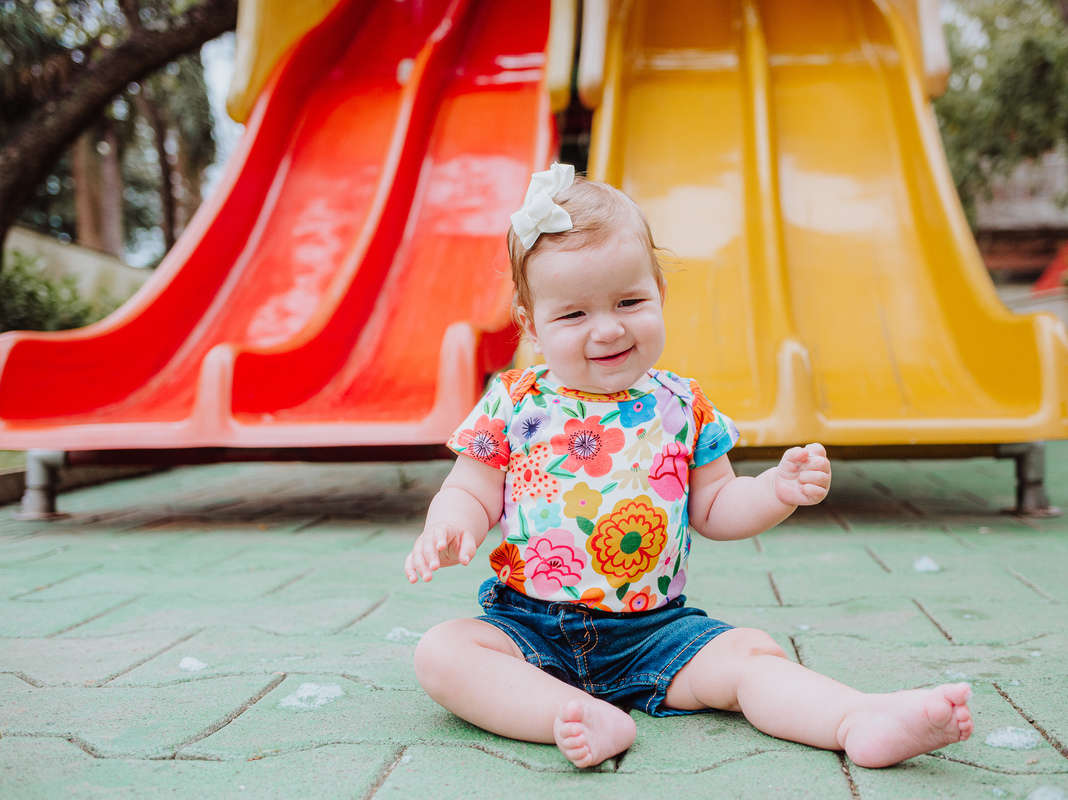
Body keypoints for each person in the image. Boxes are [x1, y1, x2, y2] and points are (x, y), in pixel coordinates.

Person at [404, 164, 973, 769]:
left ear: (660, 294)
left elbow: (717, 508)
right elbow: (470, 488)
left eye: (629, 301)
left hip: (656, 634)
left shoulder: (682, 405)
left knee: (750, 655)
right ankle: (566, 714)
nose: (608, 328)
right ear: (531, 325)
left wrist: (776, 491)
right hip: (529, 629)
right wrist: (452, 526)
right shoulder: (515, 401)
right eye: (573, 315)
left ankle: (858, 718)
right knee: (443, 652)